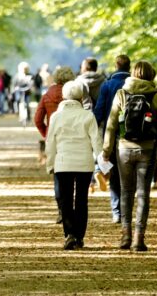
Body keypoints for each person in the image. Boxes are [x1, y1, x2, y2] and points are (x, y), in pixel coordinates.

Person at [101, 60, 157, 252]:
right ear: (151, 74)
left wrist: (106, 151)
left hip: (124, 149)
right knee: (143, 193)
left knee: (125, 191)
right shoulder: (156, 95)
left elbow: (111, 125)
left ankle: (125, 235)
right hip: (148, 149)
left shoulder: (121, 93)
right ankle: (139, 238)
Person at [45, 80, 102, 250]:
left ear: (64, 96)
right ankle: (79, 236)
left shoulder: (56, 116)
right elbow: (96, 141)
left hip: (63, 163)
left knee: (66, 200)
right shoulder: (88, 116)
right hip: (84, 163)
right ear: (81, 97)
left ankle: (69, 234)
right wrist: (102, 162)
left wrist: (50, 164)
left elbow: (50, 143)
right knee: (82, 200)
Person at [93, 54, 131, 223]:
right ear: (129, 66)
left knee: (114, 175)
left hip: (112, 134)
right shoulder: (134, 84)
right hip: (132, 135)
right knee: (129, 176)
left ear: (116, 65)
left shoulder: (107, 85)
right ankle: (127, 211)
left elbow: (99, 111)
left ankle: (116, 211)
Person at [34, 66, 76, 217]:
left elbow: (38, 120)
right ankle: (70, 207)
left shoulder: (47, 95)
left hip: (55, 139)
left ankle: (61, 209)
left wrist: (47, 134)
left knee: (58, 174)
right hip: (73, 138)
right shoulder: (74, 94)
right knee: (73, 172)